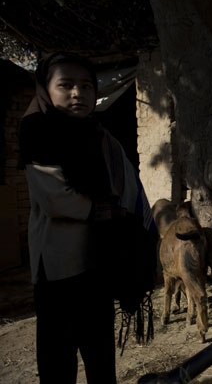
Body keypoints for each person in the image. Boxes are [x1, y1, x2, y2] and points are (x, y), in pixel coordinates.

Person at [19, 52, 157, 383]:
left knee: (100, 359)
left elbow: (129, 188)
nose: (77, 93)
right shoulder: (38, 131)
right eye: (65, 85)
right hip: (58, 270)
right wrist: (109, 211)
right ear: (45, 89)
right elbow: (54, 199)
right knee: (57, 364)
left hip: (100, 263)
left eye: (85, 86)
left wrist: (134, 223)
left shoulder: (102, 138)